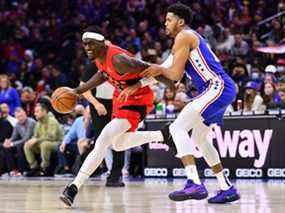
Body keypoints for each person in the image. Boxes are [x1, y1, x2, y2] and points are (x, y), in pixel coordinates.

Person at [60, 26, 175, 206]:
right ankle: (163, 135)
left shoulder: (119, 60)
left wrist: (172, 84)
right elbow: (102, 75)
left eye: (91, 44)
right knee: (118, 144)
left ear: (102, 44)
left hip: (138, 100)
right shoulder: (99, 58)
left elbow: (152, 69)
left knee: (103, 140)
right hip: (120, 99)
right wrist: (77, 91)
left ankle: (73, 187)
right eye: (85, 45)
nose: (88, 48)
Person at [138, 3, 240, 203]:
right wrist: (139, 84)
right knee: (201, 140)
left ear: (181, 21)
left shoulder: (183, 36)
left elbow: (174, 75)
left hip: (215, 87)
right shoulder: (185, 39)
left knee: (177, 128)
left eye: (169, 19)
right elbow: (166, 67)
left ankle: (194, 182)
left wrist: (153, 70)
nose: (165, 23)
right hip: (220, 89)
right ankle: (226, 187)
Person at [80, 61, 126, 187]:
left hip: (118, 102)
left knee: (119, 138)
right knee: (101, 140)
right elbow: (83, 88)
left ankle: (116, 175)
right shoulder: (92, 65)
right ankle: (85, 167)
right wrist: (95, 104)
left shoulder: (120, 62)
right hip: (98, 104)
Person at [24, 103, 63, 176]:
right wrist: (32, 139)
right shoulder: (38, 123)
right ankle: (34, 168)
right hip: (43, 143)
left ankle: (45, 168)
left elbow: (52, 137)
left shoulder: (52, 120)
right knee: (27, 145)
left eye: (37, 111)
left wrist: (37, 140)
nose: (35, 114)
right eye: (35, 112)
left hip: (57, 143)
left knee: (45, 144)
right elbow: (35, 136)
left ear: (44, 111)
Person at [2, 107, 36, 176]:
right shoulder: (17, 124)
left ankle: (23, 170)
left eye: (21, 116)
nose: (20, 118)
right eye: (18, 117)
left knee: (20, 147)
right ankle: (12, 170)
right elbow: (14, 137)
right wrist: (8, 141)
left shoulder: (31, 122)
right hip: (23, 143)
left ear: (25, 114)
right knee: (6, 147)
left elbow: (26, 138)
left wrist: (12, 144)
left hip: (32, 142)